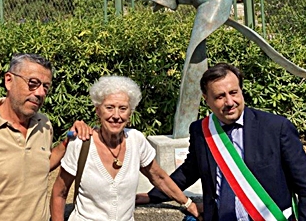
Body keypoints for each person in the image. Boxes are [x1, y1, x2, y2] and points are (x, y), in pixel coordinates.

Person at [137, 63, 306, 221]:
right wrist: (152, 196)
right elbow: (189, 171)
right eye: (219, 96)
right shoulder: (200, 131)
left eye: (233, 92)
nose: (229, 102)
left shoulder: (276, 128)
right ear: (206, 100)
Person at [0, 53, 93, 221]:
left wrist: (68, 141)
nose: (40, 93)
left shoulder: (43, 124)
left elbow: (39, 164)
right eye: (33, 83)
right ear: (9, 80)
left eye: (45, 87)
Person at [51, 75, 200, 221]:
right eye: (109, 107)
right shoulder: (81, 143)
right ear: (98, 111)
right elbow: (60, 192)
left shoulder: (136, 140)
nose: (116, 115)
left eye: (123, 108)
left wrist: (188, 204)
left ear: (130, 113)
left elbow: (159, 178)